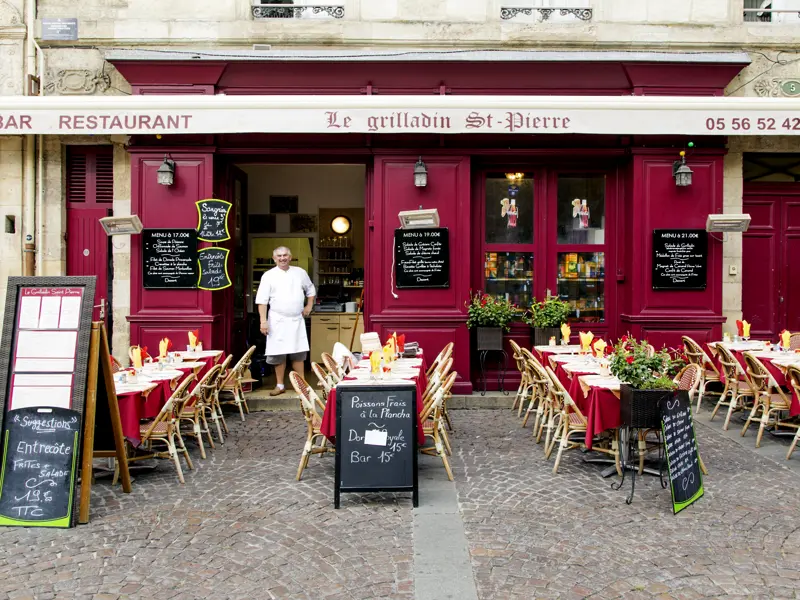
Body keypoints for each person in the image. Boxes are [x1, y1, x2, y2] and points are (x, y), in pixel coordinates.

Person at [255, 246, 316, 396]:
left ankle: (302, 386)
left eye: (285, 255)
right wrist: (263, 321)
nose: (282, 258)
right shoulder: (268, 276)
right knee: (278, 354)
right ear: (274, 258)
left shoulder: (300, 273)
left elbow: (310, 290)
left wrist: (309, 305)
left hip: (296, 320)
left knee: (298, 353)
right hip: (277, 320)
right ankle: (280, 385)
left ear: (290, 257)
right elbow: (262, 300)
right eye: (279, 256)